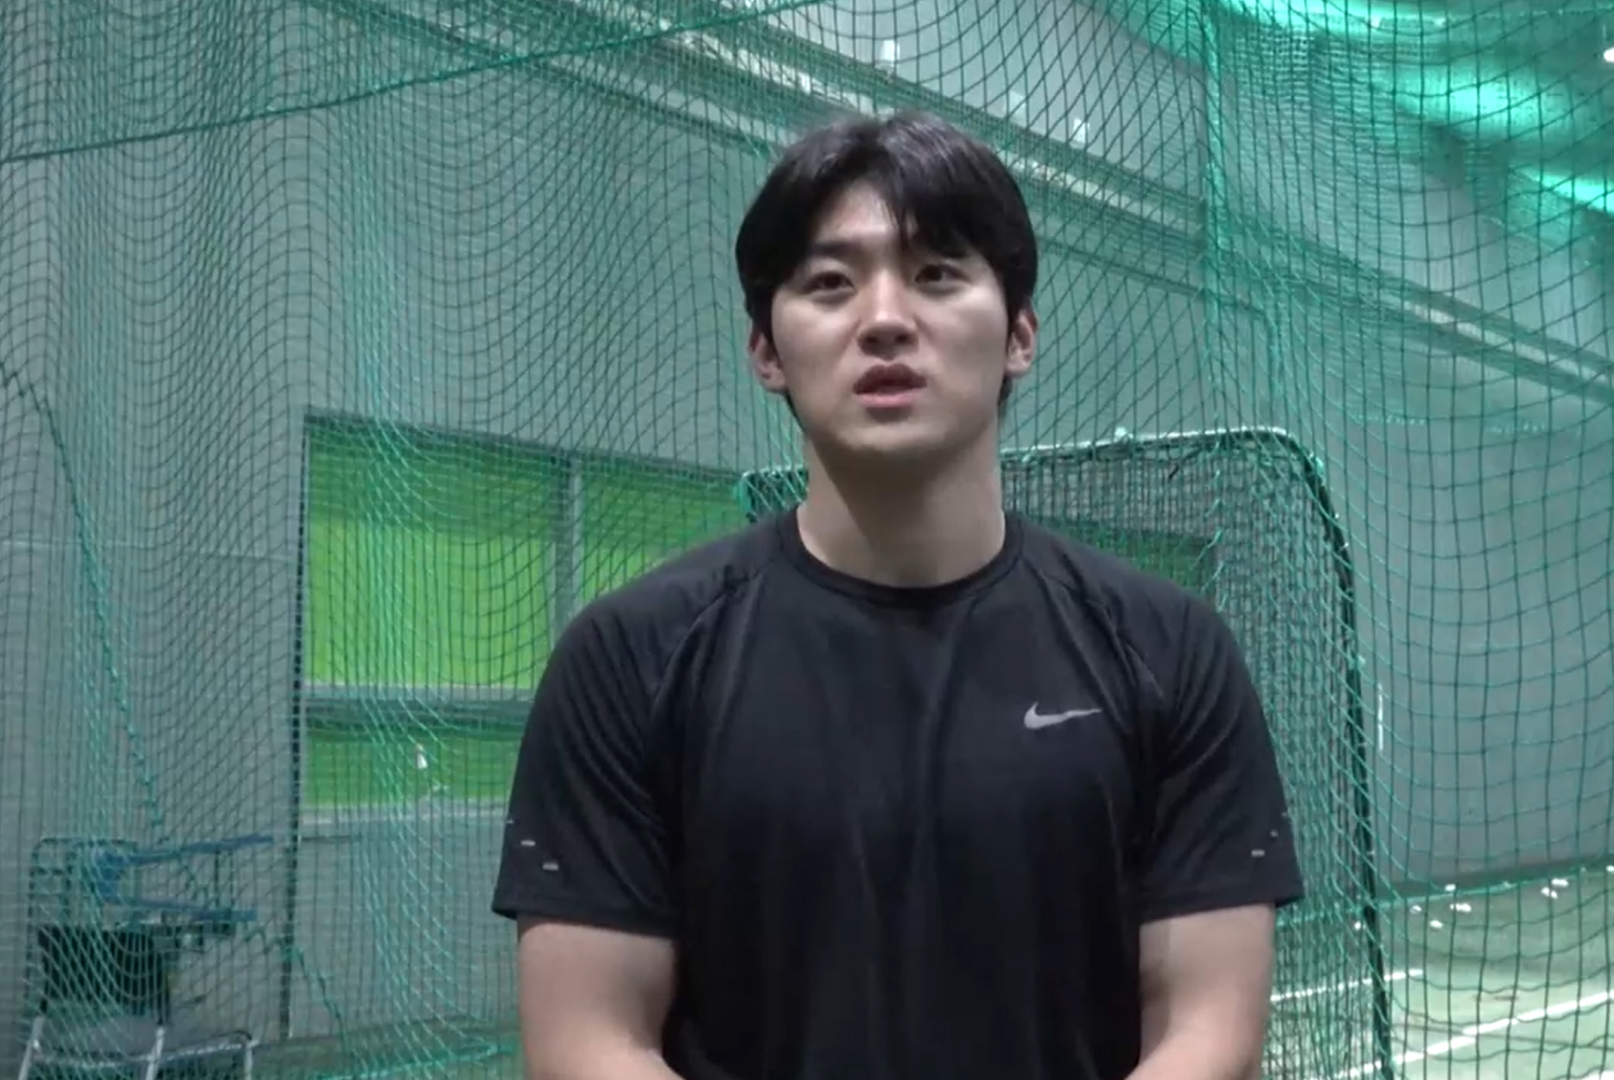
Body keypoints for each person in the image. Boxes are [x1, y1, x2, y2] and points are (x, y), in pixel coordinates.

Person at [492, 109, 1303, 1080]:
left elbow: (1209, 1030)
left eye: (937, 274)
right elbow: (588, 1041)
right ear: (766, 349)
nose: (884, 318)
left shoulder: (1170, 650)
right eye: (830, 283)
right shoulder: (631, 658)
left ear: (1019, 335)